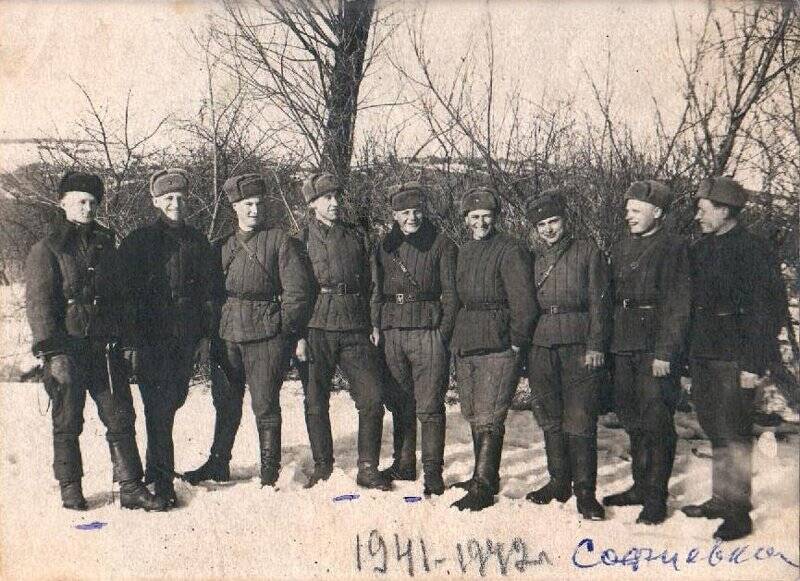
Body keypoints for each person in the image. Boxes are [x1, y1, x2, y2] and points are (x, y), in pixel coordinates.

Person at [25, 171, 166, 511]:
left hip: (104, 348)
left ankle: (130, 486)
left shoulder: (106, 244)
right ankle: (70, 487)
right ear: (63, 203)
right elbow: (40, 304)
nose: (87, 208)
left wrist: (128, 340)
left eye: (92, 203)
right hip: (67, 348)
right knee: (68, 420)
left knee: (120, 416)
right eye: (80, 202)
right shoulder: (47, 249)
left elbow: (123, 298)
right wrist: (52, 352)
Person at [184, 174, 313, 487]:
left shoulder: (278, 241)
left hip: (266, 336)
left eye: (257, 204)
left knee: (265, 405)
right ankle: (218, 463)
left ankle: (270, 470)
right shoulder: (222, 246)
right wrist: (211, 332)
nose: (253, 210)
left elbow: (298, 292)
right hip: (227, 334)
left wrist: (282, 329)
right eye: (246, 205)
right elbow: (209, 294)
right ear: (235, 208)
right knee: (225, 403)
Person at [682, 176, 787, 541]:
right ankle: (719, 499)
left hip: (735, 356)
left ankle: (738, 511)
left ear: (725, 211)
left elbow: (767, 312)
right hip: (704, 353)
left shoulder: (754, 251)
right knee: (713, 427)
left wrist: (753, 365)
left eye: (703, 209)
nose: (698, 215)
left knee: (736, 432)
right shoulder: (701, 249)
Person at [118, 169, 220, 506]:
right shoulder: (139, 241)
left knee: (172, 402)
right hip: (152, 337)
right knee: (158, 409)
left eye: (179, 198)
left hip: (186, 337)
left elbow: (208, 292)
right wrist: (131, 340)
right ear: (155, 202)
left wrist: (205, 337)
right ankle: (162, 481)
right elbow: (126, 296)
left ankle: (153, 467)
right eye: (167, 199)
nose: (175, 203)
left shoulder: (197, 240)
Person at [297, 172, 392, 491]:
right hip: (315, 325)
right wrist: (297, 334)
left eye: (338, 196)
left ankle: (368, 467)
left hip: (355, 324)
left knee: (372, 398)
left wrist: (375, 322)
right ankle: (323, 466)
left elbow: (375, 282)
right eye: (327, 198)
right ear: (312, 203)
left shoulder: (357, 236)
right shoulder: (300, 238)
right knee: (315, 399)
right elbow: (293, 289)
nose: (335, 203)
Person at [602, 180, 690, 525]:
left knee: (657, 423)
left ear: (658, 212)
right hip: (624, 344)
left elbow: (679, 304)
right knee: (631, 417)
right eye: (627, 211)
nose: (629, 217)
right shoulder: (623, 246)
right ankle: (639, 485)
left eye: (636, 211)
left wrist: (666, 352)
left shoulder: (674, 247)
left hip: (655, 347)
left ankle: (656, 497)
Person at [449, 187, 537, 511]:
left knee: (491, 414)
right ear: (466, 220)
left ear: (495, 218)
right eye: (474, 217)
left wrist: (517, 339)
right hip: (468, 339)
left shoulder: (510, 250)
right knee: (474, 412)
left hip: (499, 342)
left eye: (486, 216)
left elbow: (524, 301)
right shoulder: (464, 251)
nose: (481, 222)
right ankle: (481, 476)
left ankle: (483, 488)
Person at [524, 191, 611, 520]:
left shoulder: (588, 253)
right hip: (542, 344)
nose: (548, 229)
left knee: (580, 417)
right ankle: (559, 481)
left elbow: (599, 304)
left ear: (566, 220)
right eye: (542, 224)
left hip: (579, 343)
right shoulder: (535, 259)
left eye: (553, 221)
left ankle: (585, 492)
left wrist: (596, 345)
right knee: (550, 415)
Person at [370, 181, 458, 496]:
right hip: (393, 332)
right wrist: (377, 325)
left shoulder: (442, 244)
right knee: (399, 402)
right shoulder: (384, 245)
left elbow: (451, 294)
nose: (412, 218)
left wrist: (443, 334)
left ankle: (433, 472)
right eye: (405, 212)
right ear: (394, 215)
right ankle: (404, 463)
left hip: (428, 331)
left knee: (430, 406)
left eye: (417, 211)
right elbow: (377, 290)